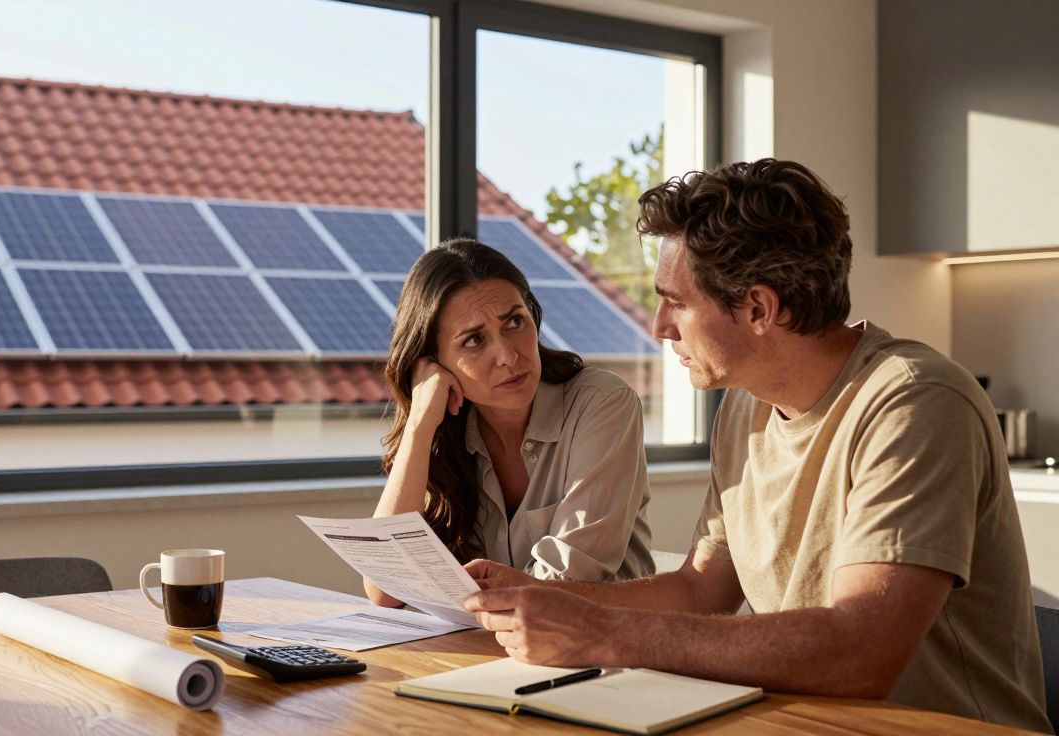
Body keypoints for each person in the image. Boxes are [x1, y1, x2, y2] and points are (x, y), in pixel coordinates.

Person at [461, 160, 1051, 733]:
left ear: (759, 308)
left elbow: (861, 652)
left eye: (678, 302)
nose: (660, 327)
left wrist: (602, 632)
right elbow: (700, 589)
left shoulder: (914, 402)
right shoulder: (744, 407)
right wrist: (542, 594)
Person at [365, 239, 654, 608]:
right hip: (490, 650)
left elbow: (571, 580)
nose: (507, 355)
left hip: (607, 652)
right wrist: (420, 425)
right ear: (436, 362)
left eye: (515, 321)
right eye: (473, 340)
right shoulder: (448, 433)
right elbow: (386, 589)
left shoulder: (601, 403)